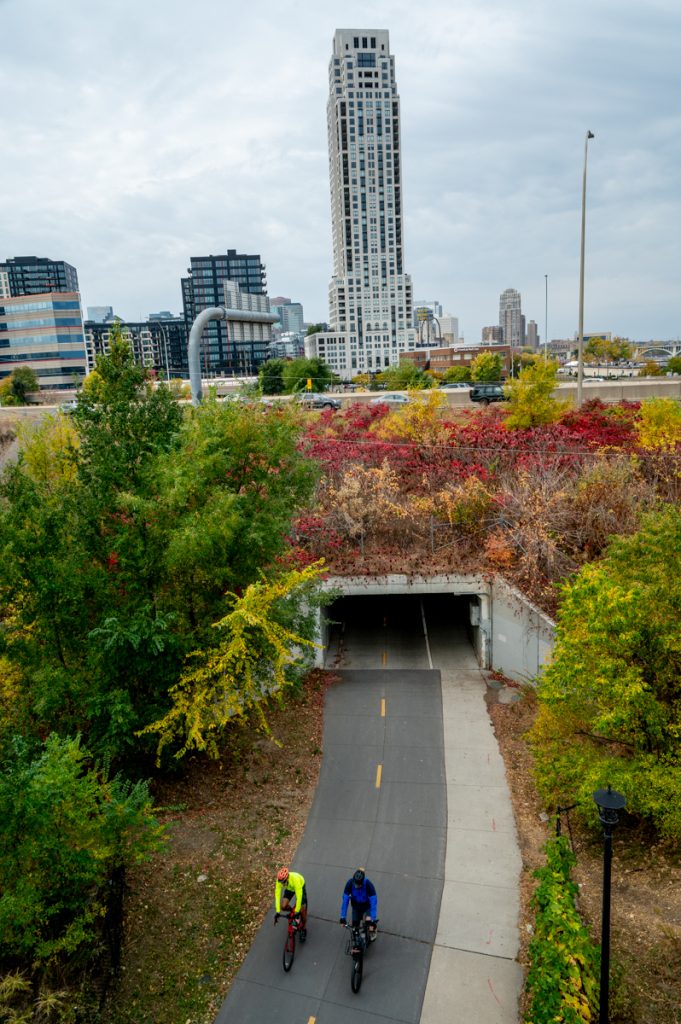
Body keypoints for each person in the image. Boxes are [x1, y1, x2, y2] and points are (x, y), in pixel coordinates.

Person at [339, 868, 378, 940]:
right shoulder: (350, 883)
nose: (356, 886)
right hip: (356, 906)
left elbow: (373, 902)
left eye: (358, 885)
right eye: (355, 884)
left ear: (362, 882)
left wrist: (373, 918)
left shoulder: (368, 884)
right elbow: (345, 901)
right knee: (355, 927)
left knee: (369, 923)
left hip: (367, 906)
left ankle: (373, 931)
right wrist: (342, 917)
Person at [274, 866, 308, 937]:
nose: (282, 884)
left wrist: (298, 911)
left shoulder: (295, 879)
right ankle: (292, 911)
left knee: (303, 910)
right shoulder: (279, 881)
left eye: (283, 882)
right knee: (283, 906)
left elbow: (299, 897)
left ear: (287, 878)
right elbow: (277, 896)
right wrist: (277, 911)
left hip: (299, 886)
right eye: (281, 882)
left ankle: (304, 928)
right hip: (290, 888)